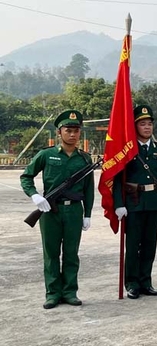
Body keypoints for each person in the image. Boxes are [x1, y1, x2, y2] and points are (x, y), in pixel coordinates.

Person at [21, 109, 94, 309]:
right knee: (51, 254)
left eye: (76, 130)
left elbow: (88, 190)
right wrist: (35, 196)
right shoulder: (46, 155)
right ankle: (52, 293)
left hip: (74, 212)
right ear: (59, 133)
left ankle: (70, 292)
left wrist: (88, 214)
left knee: (71, 253)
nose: (72, 134)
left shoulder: (85, 159)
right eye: (68, 130)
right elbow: (26, 177)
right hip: (49, 212)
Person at [113, 105, 157, 299]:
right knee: (133, 244)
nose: (147, 127)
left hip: (154, 202)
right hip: (133, 203)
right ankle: (132, 283)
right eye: (142, 124)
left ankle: (146, 281)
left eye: (150, 124)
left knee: (149, 244)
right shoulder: (127, 150)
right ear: (134, 126)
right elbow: (119, 179)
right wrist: (119, 204)